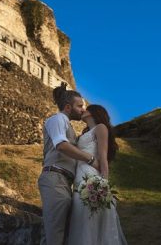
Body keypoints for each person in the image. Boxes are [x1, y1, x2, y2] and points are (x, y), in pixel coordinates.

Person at [38, 83, 99, 245]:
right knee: (55, 232)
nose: (82, 109)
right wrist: (91, 159)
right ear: (67, 107)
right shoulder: (57, 119)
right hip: (55, 178)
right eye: (79, 106)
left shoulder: (67, 124)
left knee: (64, 234)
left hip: (64, 181)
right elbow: (61, 145)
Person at [68, 104, 128, 245]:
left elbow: (103, 157)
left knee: (90, 219)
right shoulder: (85, 133)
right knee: (80, 217)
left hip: (91, 177)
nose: (82, 110)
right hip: (78, 177)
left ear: (93, 112)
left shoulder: (101, 128)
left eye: (86, 108)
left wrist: (103, 184)